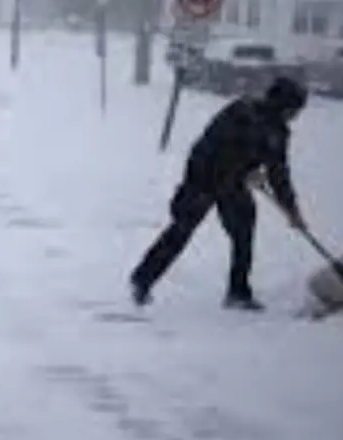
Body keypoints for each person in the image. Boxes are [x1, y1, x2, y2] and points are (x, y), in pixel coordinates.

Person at [129, 76, 310, 311]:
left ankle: (238, 292)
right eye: (294, 109)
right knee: (181, 231)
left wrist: (291, 209)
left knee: (243, 233)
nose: (295, 116)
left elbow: (279, 173)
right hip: (203, 178)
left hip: (232, 185)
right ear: (283, 104)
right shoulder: (240, 112)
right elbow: (212, 146)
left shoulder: (277, 131)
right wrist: (244, 171)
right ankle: (142, 280)